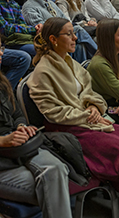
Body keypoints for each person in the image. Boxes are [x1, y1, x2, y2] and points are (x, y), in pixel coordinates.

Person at [27, 18, 119, 217]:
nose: (75, 37)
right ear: (53, 39)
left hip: (90, 120)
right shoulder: (42, 72)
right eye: (68, 34)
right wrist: (87, 115)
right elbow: (53, 113)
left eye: (73, 32)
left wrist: (94, 105)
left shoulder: (72, 63)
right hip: (68, 129)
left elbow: (89, 91)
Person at [0, 40, 72, 218]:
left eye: (0, 47)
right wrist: (2, 141)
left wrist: (22, 126)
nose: (1, 53)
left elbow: (17, 114)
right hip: (4, 157)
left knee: (57, 170)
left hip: (18, 148)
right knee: (55, 185)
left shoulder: (2, 82)